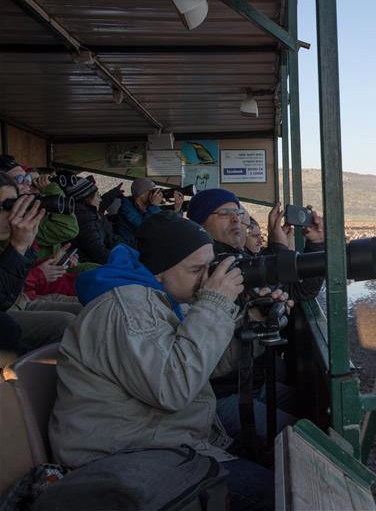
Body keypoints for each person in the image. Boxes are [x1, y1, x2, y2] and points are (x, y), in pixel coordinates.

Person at [50, 214, 280, 510]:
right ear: (158, 272)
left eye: (209, 267)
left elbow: (203, 365)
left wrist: (253, 325)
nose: (206, 279)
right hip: (125, 462)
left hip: (159, 445)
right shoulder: (127, 309)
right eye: (197, 269)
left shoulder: (159, 300)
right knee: (274, 494)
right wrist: (215, 304)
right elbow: (174, 387)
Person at [186, 190, 324, 441]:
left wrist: (315, 244)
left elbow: (298, 289)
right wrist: (280, 244)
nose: (236, 219)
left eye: (238, 212)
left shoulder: (241, 258)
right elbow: (297, 288)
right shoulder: (206, 270)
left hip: (252, 380)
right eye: (224, 214)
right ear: (199, 224)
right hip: (224, 394)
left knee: (317, 412)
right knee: (310, 440)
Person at [0, 173, 76, 349]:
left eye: (13, 204)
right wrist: (19, 247)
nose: (12, 213)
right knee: (67, 323)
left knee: (90, 309)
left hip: (22, 301)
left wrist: (26, 248)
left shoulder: (7, 237)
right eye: (4, 206)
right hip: (12, 310)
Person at [0, 156, 79, 261]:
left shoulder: (31, 210)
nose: (28, 183)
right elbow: (68, 229)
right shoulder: (17, 221)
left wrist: (62, 257)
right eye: (19, 179)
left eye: (27, 178)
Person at [67, 173, 121, 264]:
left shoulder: (91, 214)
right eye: (98, 195)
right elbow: (99, 253)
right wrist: (123, 260)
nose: (100, 199)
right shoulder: (84, 219)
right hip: (91, 266)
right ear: (87, 198)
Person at [112, 177, 164, 247]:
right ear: (141, 194)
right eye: (151, 191)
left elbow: (163, 223)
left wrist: (177, 210)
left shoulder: (148, 206)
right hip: (130, 248)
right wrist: (154, 206)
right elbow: (145, 227)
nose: (154, 195)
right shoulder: (126, 209)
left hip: (144, 244)